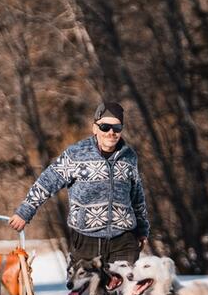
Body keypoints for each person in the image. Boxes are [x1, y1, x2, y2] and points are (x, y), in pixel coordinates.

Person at [8, 101, 149, 266]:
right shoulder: (75, 154)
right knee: (85, 290)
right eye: (105, 127)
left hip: (124, 240)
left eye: (117, 128)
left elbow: (137, 196)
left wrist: (142, 229)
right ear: (94, 128)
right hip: (86, 240)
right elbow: (47, 182)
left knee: (125, 291)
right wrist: (26, 211)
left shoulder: (129, 156)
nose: (111, 133)